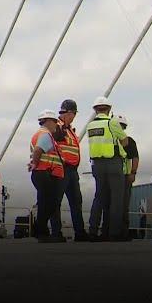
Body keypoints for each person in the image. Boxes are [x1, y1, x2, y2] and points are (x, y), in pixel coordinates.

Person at [86, 96, 129, 242]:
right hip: (113, 163)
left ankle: (92, 231)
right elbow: (125, 140)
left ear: (95, 110)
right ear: (109, 109)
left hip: (97, 164)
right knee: (117, 199)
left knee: (99, 197)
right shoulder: (113, 123)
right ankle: (114, 233)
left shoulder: (90, 125)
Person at [50, 99, 90, 242]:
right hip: (61, 169)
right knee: (56, 201)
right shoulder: (57, 127)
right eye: (73, 113)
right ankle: (56, 232)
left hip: (72, 171)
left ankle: (80, 232)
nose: (74, 116)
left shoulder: (70, 130)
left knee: (76, 201)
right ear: (68, 112)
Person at [28, 110, 66, 243]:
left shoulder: (41, 134)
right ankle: (40, 231)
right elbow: (38, 150)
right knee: (49, 203)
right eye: (55, 121)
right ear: (48, 121)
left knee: (45, 203)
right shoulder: (45, 134)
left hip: (42, 173)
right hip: (43, 172)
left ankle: (40, 231)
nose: (56, 124)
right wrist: (34, 163)